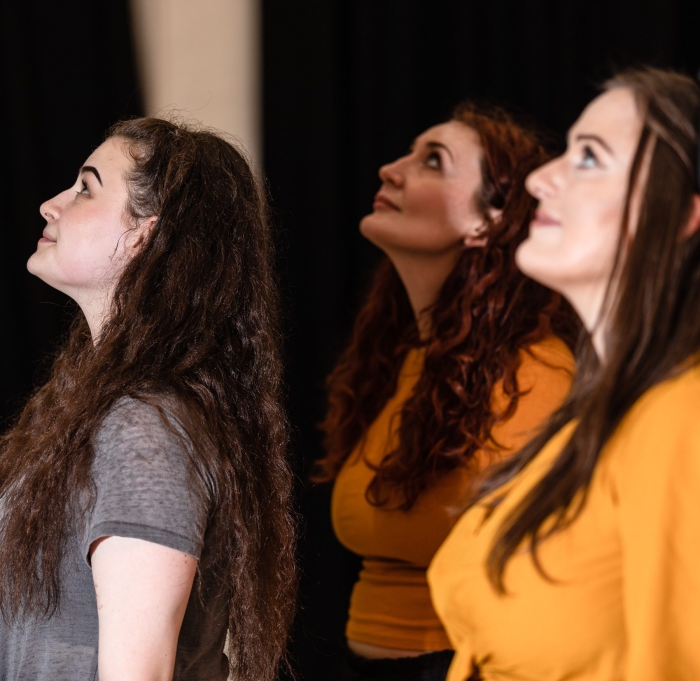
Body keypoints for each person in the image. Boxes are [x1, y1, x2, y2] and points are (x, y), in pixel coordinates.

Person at [428, 67, 700, 681]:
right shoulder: (592, 417)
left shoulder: (682, 415)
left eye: (590, 158)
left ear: (681, 215)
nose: (540, 178)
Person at [0, 118, 296, 681]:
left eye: (86, 188)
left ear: (145, 235)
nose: (50, 204)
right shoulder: (102, 407)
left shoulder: (145, 429)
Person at [314, 104, 579, 681]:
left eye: (433, 161)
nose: (390, 169)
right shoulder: (403, 360)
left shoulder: (535, 375)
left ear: (488, 219)